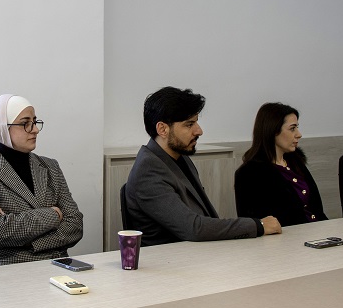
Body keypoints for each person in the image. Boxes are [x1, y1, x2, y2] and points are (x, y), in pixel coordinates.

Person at [124, 87, 281, 246]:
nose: (199, 131)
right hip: (173, 258)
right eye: (189, 124)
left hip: (198, 251)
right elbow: (193, 228)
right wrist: (258, 225)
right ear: (162, 129)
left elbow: (205, 219)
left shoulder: (179, 157)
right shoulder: (148, 171)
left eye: (196, 122)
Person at [0, 94, 84, 267]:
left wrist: (29, 243)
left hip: (52, 264)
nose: (35, 129)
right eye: (25, 123)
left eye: (34, 121)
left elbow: (75, 225)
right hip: (1, 268)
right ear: (2, 127)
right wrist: (54, 214)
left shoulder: (50, 166)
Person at [234, 103, 328, 226]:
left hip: (318, 231)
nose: (299, 134)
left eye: (297, 127)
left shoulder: (295, 162)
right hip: (288, 237)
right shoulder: (250, 174)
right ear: (273, 130)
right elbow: (255, 224)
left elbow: (317, 210)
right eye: (292, 128)